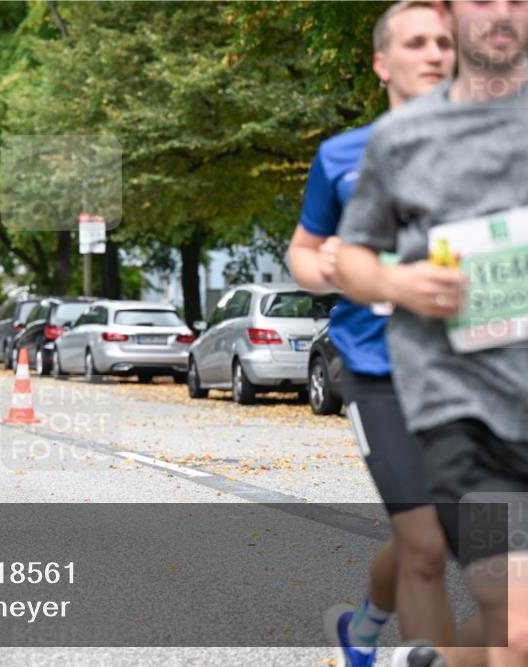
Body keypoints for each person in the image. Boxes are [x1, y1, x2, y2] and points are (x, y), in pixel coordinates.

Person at [335, 1, 528, 664]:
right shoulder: (399, 138)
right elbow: (344, 255)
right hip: (464, 411)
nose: (502, 12)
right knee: (509, 613)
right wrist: (398, 284)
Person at [288, 3, 461, 665]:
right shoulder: (343, 156)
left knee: (449, 533)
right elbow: (303, 254)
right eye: (416, 41)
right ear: (383, 64)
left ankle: (364, 626)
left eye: (445, 41)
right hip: (377, 368)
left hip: (471, 373)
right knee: (423, 540)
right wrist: (326, 268)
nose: (435, 52)